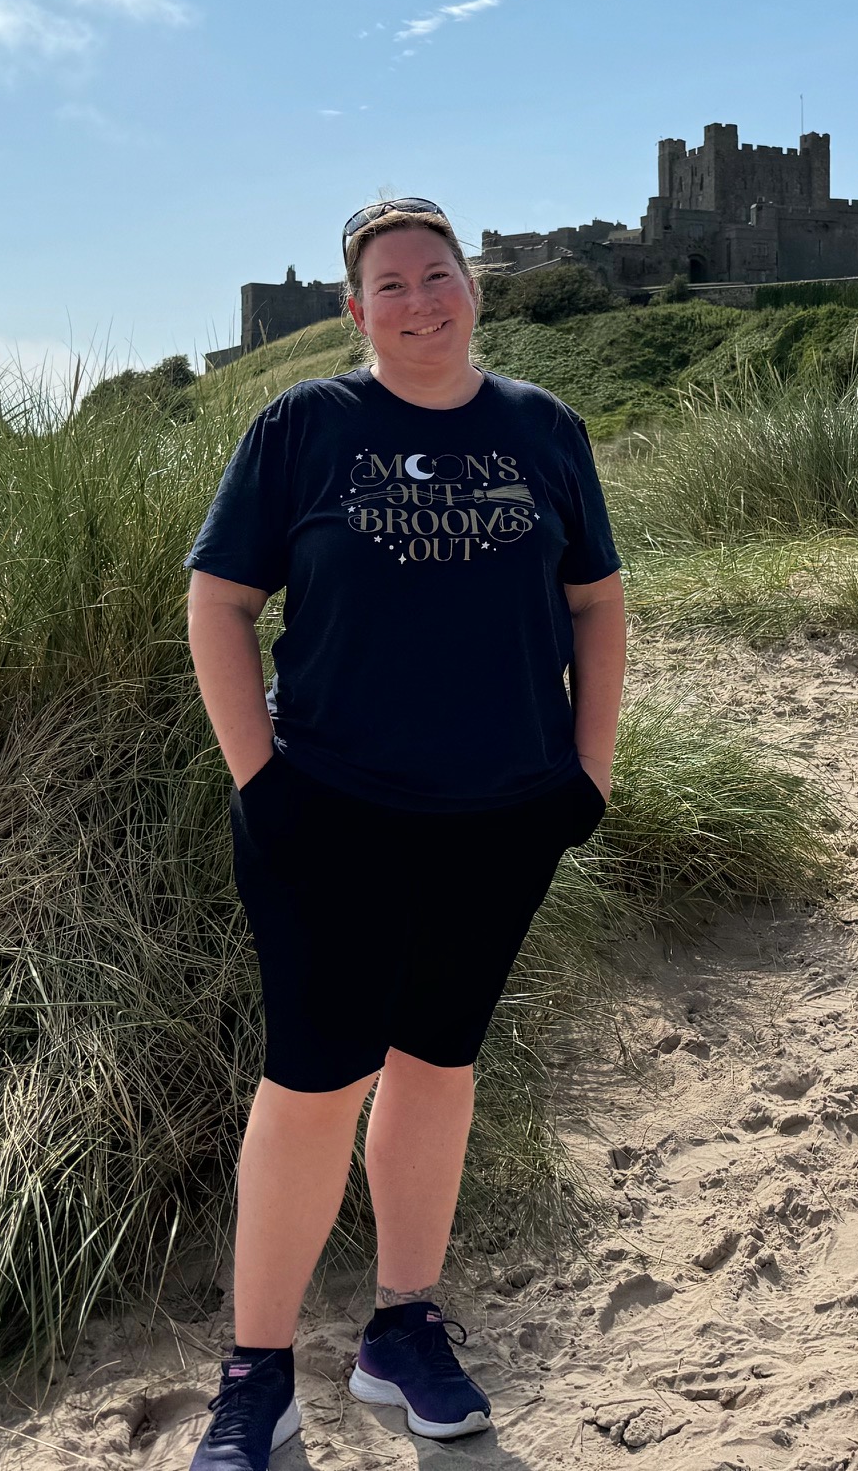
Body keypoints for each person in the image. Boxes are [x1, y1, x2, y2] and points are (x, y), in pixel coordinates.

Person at [180, 196, 626, 1463]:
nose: (421, 300)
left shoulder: (543, 428)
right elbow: (218, 606)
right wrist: (260, 780)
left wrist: (583, 769)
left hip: (503, 812)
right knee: (315, 1084)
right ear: (352, 308)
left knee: (438, 1066)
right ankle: (257, 1375)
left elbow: (595, 604)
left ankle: (401, 1327)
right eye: (392, 284)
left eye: (440, 276)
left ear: (473, 287)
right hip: (330, 813)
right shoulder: (306, 426)